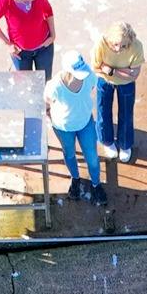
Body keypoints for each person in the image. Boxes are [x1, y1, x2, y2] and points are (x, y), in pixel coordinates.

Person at [45, 51, 105, 206]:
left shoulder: (89, 76)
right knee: (69, 153)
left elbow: (91, 86)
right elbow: (47, 102)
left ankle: (96, 184)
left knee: (92, 156)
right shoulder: (55, 86)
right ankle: (75, 178)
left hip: (85, 123)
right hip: (64, 127)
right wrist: (50, 116)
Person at [90, 21, 144, 164]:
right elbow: (96, 67)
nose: (119, 49)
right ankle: (107, 141)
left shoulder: (137, 46)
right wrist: (125, 71)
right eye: (115, 45)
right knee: (103, 112)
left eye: (124, 45)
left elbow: (135, 75)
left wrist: (111, 70)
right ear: (109, 39)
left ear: (130, 41)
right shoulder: (101, 43)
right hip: (104, 81)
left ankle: (125, 144)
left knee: (126, 114)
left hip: (125, 84)